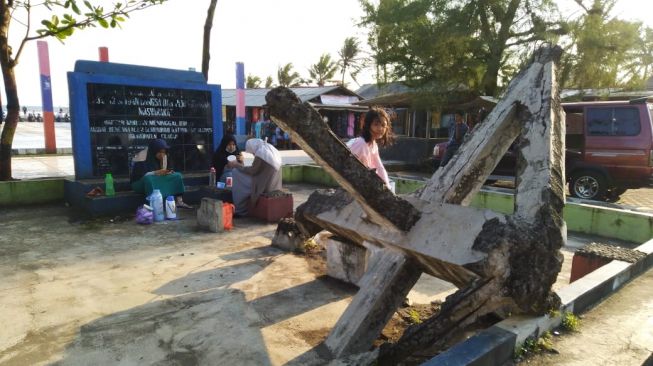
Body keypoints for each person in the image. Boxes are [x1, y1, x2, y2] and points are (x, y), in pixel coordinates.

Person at [130, 138, 192, 208]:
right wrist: (155, 172)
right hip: (139, 183)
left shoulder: (164, 157)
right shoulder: (142, 157)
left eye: (164, 152)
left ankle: (179, 201)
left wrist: (166, 168)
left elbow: (166, 170)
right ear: (154, 151)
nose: (162, 154)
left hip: (156, 179)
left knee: (177, 175)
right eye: (159, 152)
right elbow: (143, 176)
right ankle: (153, 205)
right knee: (149, 179)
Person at [227, 138, 282, 215]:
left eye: (252, 152)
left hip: (263, 185)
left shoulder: (260, 153)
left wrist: (237, 165)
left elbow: (253, 170)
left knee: (236, 173)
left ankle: (240, 209)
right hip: (274, 184)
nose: (253, 154)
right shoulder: (270, 148)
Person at [347, 107, 392, 189]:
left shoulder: (373, 144)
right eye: (376, 124)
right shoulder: (361, 144)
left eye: (383, 125)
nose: (380, 128)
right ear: (368, 125)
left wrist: (387, 187)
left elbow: (380, 167)